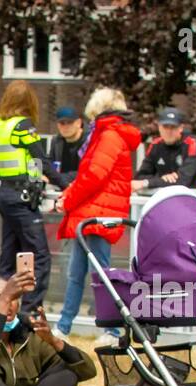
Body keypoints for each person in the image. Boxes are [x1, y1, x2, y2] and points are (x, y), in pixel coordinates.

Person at [55, 88, 141, 337]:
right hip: (96, 211)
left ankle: (111, 327)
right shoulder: (107, 134)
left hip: (97, 213)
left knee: (97, 273)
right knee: (83, 272)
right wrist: (70, 196)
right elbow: (91, 175)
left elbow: (93, 176)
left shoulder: (108, 136)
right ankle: (65, 325)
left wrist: (68, 199)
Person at [0, 80, 58, 314]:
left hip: (5, 193)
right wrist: (67, 184)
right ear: (29, 102)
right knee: (40, 256)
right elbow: (42, 160)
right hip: (22, 197)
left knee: (8, 257)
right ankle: (29, 312)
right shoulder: (23, 126)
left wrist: (35, 175)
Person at [130, 107, 196, 193]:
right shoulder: (155, 145)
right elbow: (140, 176)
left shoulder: (193, 144)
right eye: (165, 127)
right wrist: (161, 179)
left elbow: (183, 181)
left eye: (173, 127)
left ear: (181, 128)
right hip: (163, 198)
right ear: (159, 128)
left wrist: (148, 182)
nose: (169, 131)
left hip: (193, 198)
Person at [46, 105, 85, 188]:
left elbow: (87, 171)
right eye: (62, 123)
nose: (65, 127)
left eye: (70, 122)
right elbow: (50, 164)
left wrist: (57, 177)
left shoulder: (89, 140)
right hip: (61, 188)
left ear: (79, 123)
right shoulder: (56, 141)